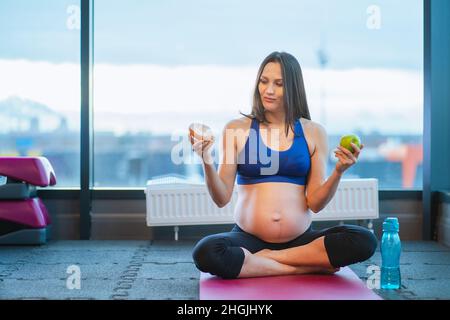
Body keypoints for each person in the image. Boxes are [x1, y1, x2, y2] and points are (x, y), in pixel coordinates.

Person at [189, 51, 377, 279]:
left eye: (278, 84)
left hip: (301, 240)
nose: (268, 90)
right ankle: (307, 265)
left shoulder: (314, 132)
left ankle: (262, 262)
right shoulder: (236, 129)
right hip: (249, 239)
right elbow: (221, 198)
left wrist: (338, 171)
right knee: (207, 252)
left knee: (364, 240)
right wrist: (206, 159)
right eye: (264, 81)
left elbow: (315, 203)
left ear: (293, 87)